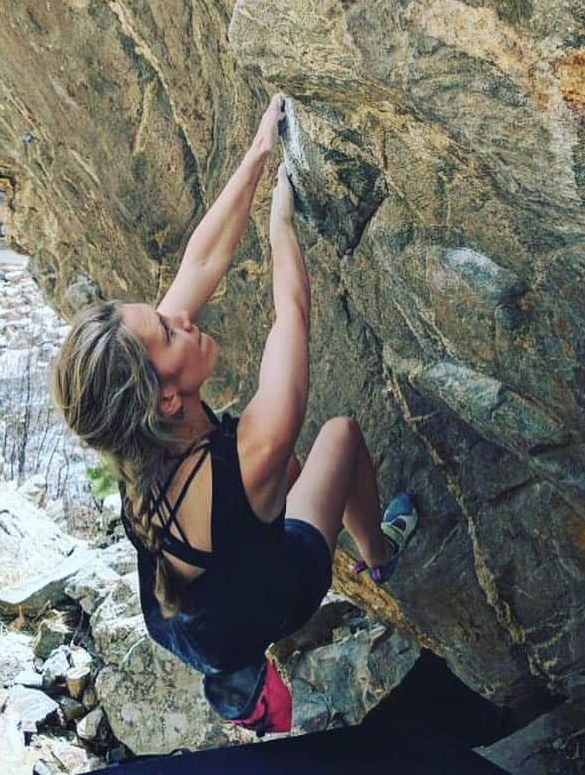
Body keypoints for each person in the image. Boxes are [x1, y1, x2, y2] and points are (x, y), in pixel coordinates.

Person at [50, 92, 417, 735]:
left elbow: (201, 261)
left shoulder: (138, 439)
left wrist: (257, 154)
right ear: (167, 396)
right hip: (272, 602)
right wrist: (281, 222)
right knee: (341, 436)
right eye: (168, 329)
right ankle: (380, 554)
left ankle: (243, 688)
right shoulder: (254, 451)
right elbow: (292, 316)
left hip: (181, 622)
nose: (182, 314)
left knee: (286, 477)